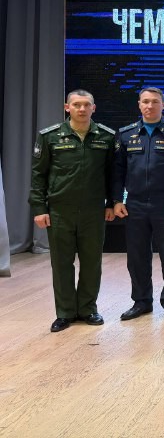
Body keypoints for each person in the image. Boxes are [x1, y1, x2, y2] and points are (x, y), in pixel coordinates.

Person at [29, 90, 116, 332]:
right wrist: (39, 208)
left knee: (91, 263)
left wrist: (111, 203)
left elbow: (112, 175)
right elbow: (38, 175)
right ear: (67, 107)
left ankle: (88, 309)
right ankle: (65, 313)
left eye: (87, 104)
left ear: (94, 108)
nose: (82, 109)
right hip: (60, 211)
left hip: (93, 212)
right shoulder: (50, 136)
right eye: (76, 105)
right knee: (61, 264)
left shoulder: (106, 137)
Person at [113, 87, 164, 322]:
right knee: (137, 256)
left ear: (163, 105)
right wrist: (116, 200)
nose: (150, 106)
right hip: (134, 203)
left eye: (155, 102)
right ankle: (142, 301)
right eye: (145, 101)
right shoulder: (126, 134)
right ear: (139, 104)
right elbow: (117, 171)